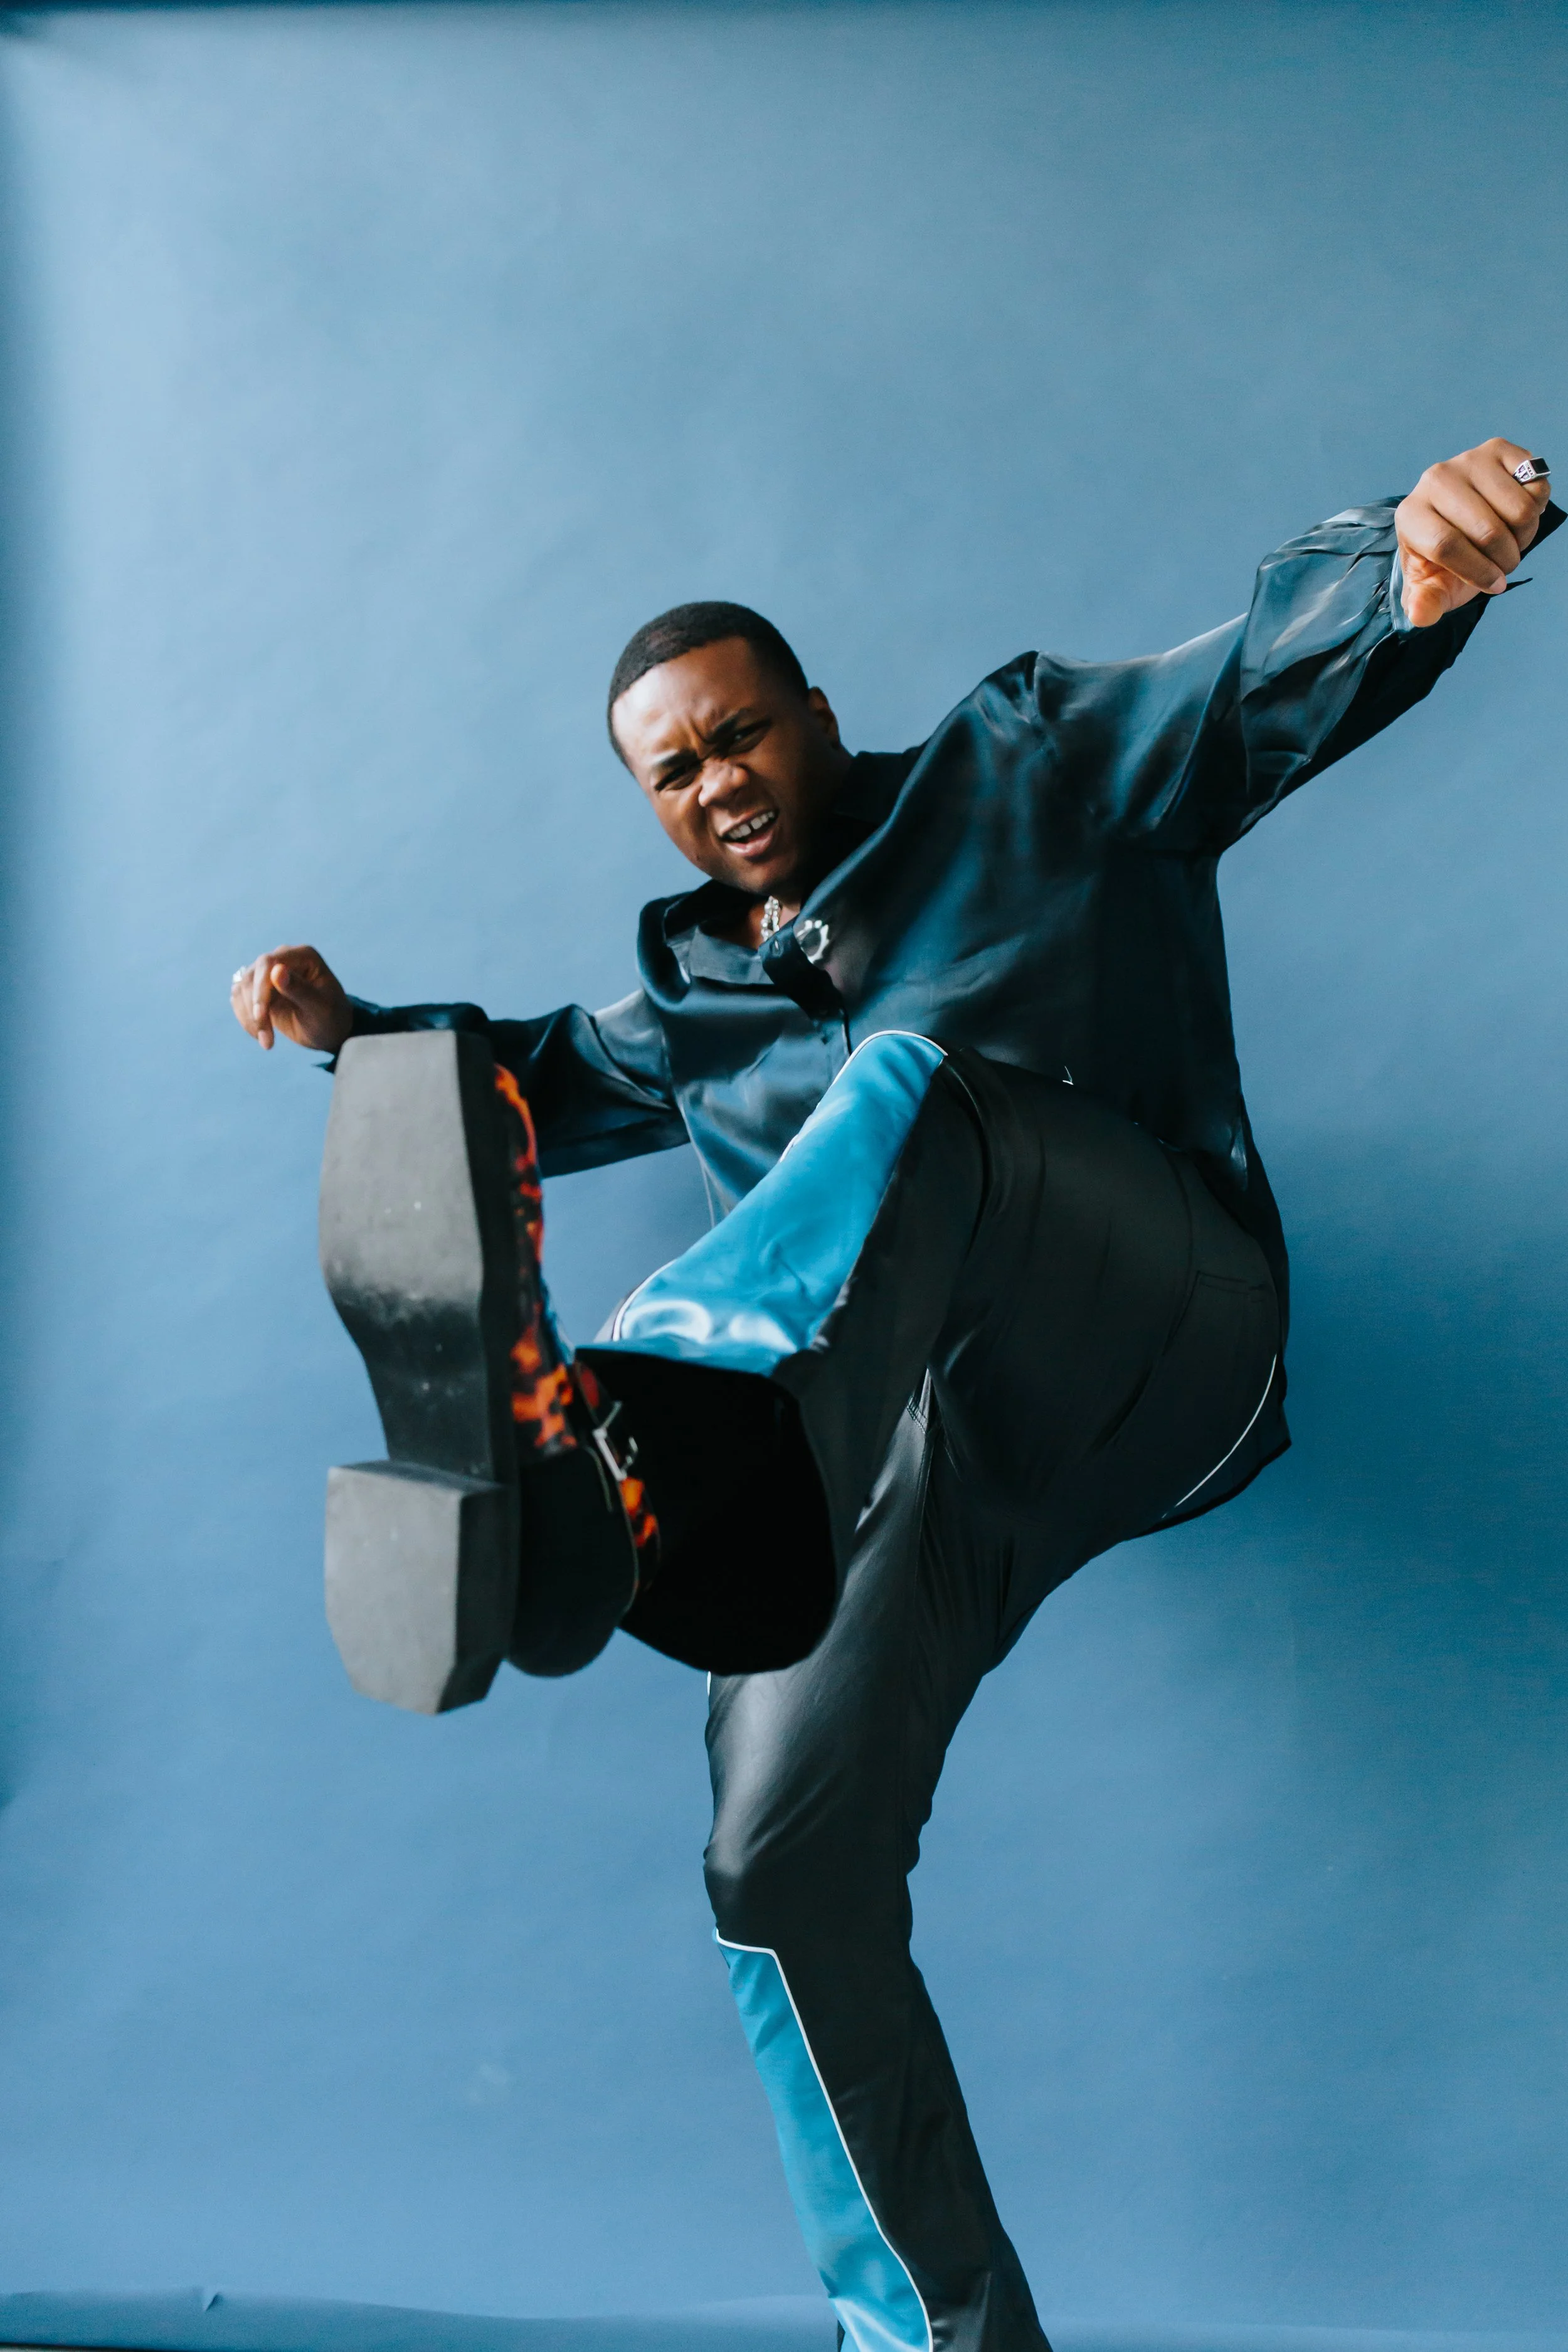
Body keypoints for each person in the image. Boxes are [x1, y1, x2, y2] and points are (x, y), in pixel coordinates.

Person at [233, 440, 1557, 2352]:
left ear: (812, 714)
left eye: (741, 734)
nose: (720, 785)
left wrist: (1408, 575)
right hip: (893, 1445)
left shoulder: (1018, 768)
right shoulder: (688, 1003)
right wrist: (355, 1038)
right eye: (675, 772)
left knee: (907, 1093)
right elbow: (515, 1080)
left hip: (1156, 1327)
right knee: (776, 1863)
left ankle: (635, 1453)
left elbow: (1235, 685)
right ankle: (937, 2340)